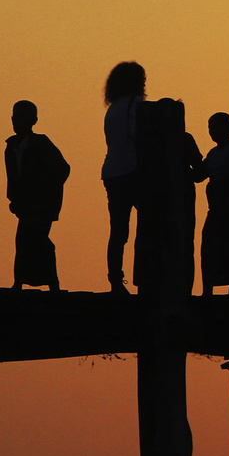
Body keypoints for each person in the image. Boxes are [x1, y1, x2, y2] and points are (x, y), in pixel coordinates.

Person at [4, 99, 69, 291]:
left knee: (37, 240)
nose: (16, 121)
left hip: (42, 204)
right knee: (23, 241)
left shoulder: (41, 143)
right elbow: (13, 177)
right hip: (25, 204)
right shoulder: (12, 145)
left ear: (33, 120)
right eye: (15, 117)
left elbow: (62, 169)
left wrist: (43, 189)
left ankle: (51, 282)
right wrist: (14, 199)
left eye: (22, 117)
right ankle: (20, 281)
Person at [101, 61, 146, 293]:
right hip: (132, 171)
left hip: (112, 172)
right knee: (148, 226)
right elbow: (139, 135)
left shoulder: (113, 108)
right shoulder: (135, 105)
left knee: (118, 230)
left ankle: (115, 279)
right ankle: (145, 276)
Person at [197, 112, 229, 295]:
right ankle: (207, 289)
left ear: (227, 129)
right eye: (209, 128)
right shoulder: (212, 153)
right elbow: (199, 175)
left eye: (215, 127)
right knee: (209, 246)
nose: (211, 132)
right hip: (215, 206)